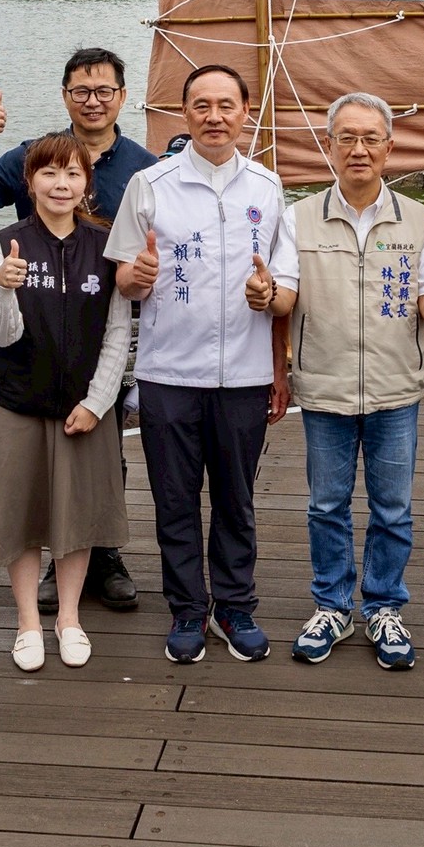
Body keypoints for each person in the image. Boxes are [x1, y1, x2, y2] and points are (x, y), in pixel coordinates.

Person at [264, 94, 424, 672]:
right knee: (326, 505)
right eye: (346, 137)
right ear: (328, 146)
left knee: (392, 507)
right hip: (324, 385)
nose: (359, 149)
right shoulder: (297, 218)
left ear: (389, 147)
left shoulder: (420, 222)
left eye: (371, 138)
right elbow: (285, 294)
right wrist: (265, 294)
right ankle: (332, 605)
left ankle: (382, 606)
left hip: (395, 387)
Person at [108, 64, 293, 663]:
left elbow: (284, 284)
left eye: (226, 105)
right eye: (201, 106)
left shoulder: (267, 187)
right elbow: (123, 277)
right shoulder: (150, 184)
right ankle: (188, 607)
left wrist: (271, 301)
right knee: (176, 498)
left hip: (244, 373)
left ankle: (234, 606)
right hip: (168, 374)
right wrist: (136, 275)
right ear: (184, 113)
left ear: (245, 112)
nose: (214, 117)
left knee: (237, 498)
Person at [0, 46, 157, 614]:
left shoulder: (145, 167)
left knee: (102, 447)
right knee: (45, 463)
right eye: (81, 91)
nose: (93, 101)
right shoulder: (36, 153)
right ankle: (55, 559)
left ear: (123, 96)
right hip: (37, 322)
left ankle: (103, 553)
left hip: (110, 321)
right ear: (65, 95)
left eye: (104, 91)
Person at [0, 132, 135, 670]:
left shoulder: (105, 244)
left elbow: (117, 332)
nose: (60, 184)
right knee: (21, 517)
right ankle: (27, 623)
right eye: (48, 172)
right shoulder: (5, 244)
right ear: (30, 181)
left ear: (87, 182)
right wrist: (2, 287)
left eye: (72, 173)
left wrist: (98, 401)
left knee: (78, 518)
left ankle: (69, 618)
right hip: (18, 402)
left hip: (83, 409)